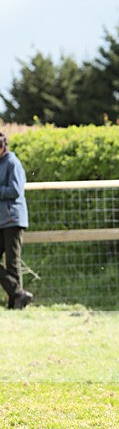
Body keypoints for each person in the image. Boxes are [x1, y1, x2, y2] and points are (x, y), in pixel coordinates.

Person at [0, 132, 33, 309]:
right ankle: (18, 295)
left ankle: (15, 301)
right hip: (2, 219)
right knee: (12, 263)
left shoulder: (13, 163)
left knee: (12, 263)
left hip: (12, 218)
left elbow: (15, 191)